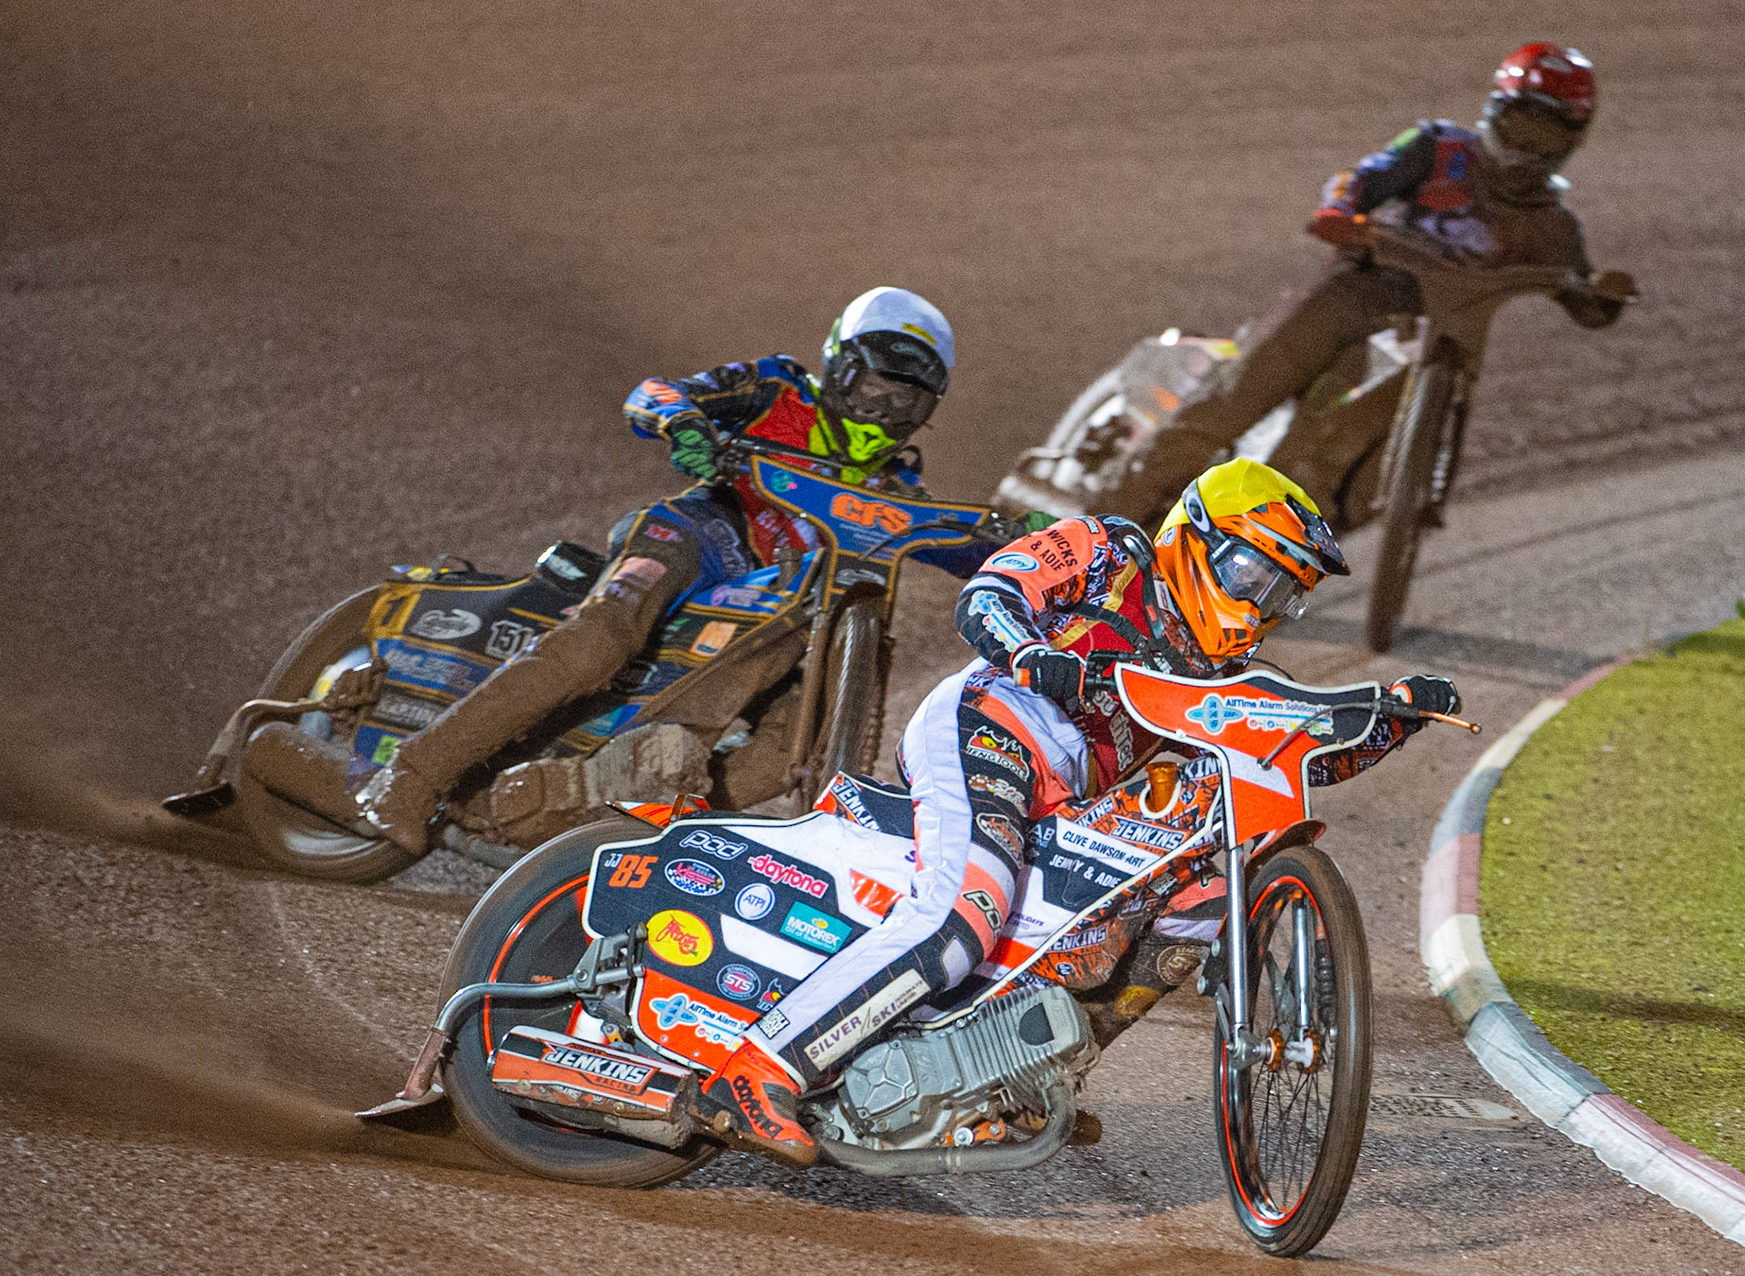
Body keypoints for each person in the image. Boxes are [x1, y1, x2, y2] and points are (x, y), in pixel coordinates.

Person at [696, 457, 1460, 1166]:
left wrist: (1390, 715)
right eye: (1255, 574)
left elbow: (1298, 752)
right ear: (1201, 540)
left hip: (1069, 791)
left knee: (1199, 893)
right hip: (989, 722)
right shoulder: (1110, 548)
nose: (1261, 606)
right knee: (967, 910)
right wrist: (1030, 652)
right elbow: (990, 593)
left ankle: (1024, 1073)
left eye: (1281, 593)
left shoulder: (1226, 672)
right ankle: (761, 1068)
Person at [254, 287, 989, 852]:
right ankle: (403, 780)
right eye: (875, 386)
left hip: (792, 614)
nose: (887, 408)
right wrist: (689, 424)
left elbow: (981, 549)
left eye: (908, 399)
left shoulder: (901, 490)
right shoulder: (775, 389)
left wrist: (1036, 550)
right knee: (603, 639)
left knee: (774, 758)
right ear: (840, 366)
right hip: (700, 536)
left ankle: (590, 814)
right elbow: (656, 394)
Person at [1103, 42, 1638, 527]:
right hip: (1352, 298)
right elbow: (1361, 178)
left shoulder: (1554, 224)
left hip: (1434, 347)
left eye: (1547, 134)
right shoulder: (1439, 146)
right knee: (1228, 406)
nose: (1529, 146)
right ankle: (1099, 530)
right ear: (1497, 109)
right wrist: (1339, 211)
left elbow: (1584, 295)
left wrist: (1604, 296)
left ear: (1572, 139)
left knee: (1344, 490)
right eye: (1523, 125)